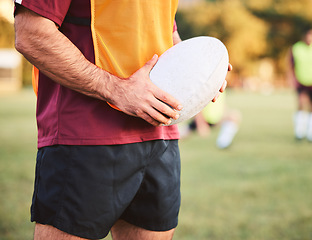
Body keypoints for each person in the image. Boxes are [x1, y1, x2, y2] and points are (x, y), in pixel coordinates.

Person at [13, 1, 228, 239]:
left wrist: (199, 74)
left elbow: (165, 31)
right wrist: (118, 90)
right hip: (85, 136)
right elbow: (31, 33)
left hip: (159, 135)